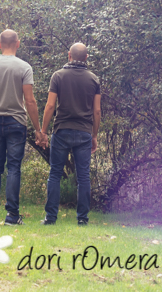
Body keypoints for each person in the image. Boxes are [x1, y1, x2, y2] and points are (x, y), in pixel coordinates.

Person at [0, 28, 43, 225]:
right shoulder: (24, 68)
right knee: (14, 167)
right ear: (18, 43)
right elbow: (30, 101)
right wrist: (38, 129)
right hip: (17, 123)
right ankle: (12, 216)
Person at [39, 42, 101, 226]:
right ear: (86, 57)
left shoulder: (58, 76)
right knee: (83, 177)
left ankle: (50, 218)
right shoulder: (94, 79)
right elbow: (96, 111)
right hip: (84, 133)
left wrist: (43, 131)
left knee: (55, 174)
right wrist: (94, 135)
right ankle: (82, 218)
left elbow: (50, 105)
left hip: (62, 131)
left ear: (69, 56)